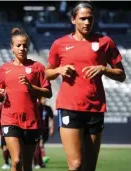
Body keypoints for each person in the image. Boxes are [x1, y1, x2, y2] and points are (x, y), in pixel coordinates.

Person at [45, 2, 126, 171]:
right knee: (75, 165)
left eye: (90, 18)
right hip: (69, 107)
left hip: (95, 108)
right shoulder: (59, 44)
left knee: (89, 167)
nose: (87, 22)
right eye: (82, 19)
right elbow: (46, 73)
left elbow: (121, 74)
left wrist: (103, 69)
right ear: (73, 19)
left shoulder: (105, 42)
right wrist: (59, 70)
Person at [0, 27, 52, 171]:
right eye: (18, 45)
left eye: (25, 45)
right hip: (10, 119)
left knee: (27, 165)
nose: (22, 48)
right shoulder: (4, 68)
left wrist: (31, 87)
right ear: (12, 48)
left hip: (31, 121)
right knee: (16, 160)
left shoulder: (37, 67)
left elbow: (48, 92)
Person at [33, 97, 54, 169]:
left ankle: (39, 162)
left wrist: (51, 128)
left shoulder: (48, 108)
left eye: (45, 99)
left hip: (45, 130)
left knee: (40, 145)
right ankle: (37, 163)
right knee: (39, 145)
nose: (44, 100)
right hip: (37, 129)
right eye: (43, 98)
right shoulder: (37, 107)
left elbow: (51, 119)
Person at [0, 101, 11, 170]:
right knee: (6, 147)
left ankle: (6, 163)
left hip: (4, 129)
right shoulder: (7, 105)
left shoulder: (0, 107)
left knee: (4, 147)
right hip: (10, 128)